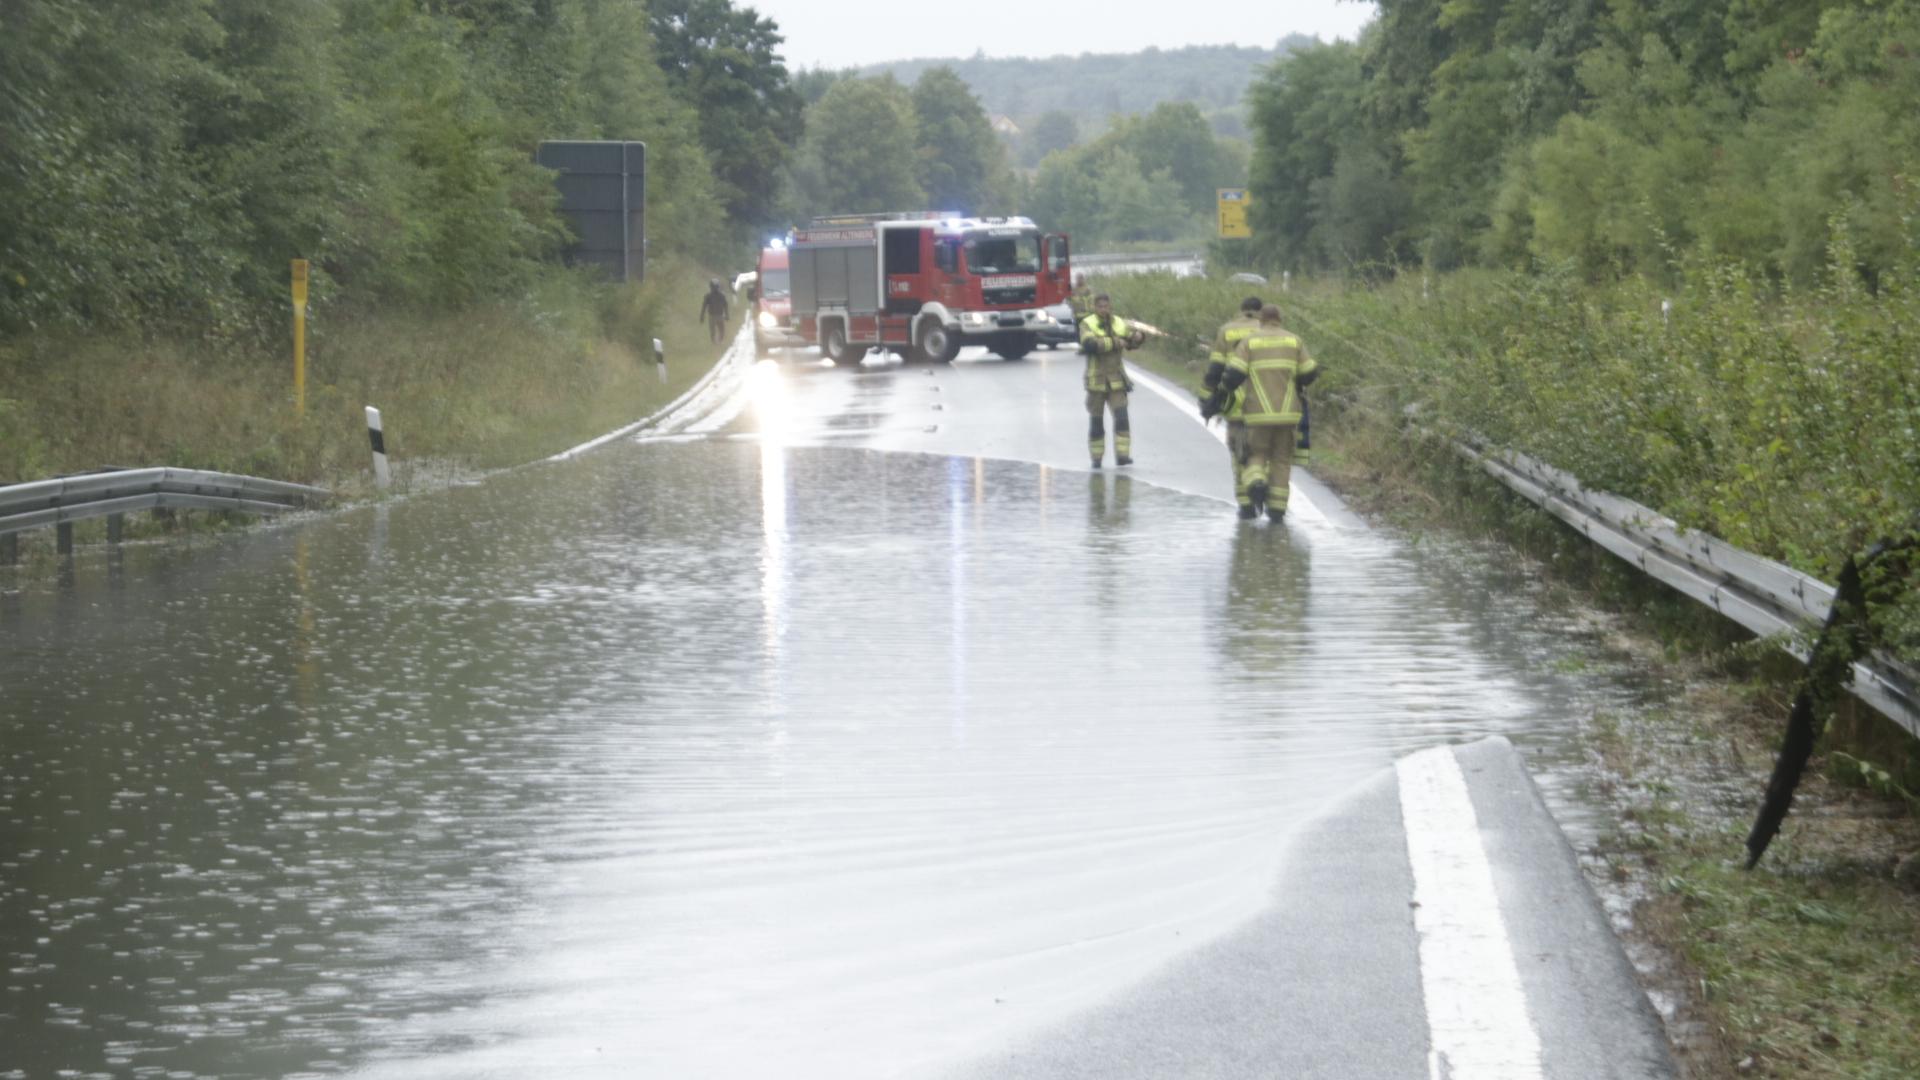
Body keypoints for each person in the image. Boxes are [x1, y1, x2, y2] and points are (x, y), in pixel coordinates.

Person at [1202, 304, 1317, 519]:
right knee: (1282, 460)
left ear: (1261, 320)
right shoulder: (1294, 340)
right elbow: (1310, 372)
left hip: (1257, 414)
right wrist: (1296, 381)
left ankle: (1256, 482)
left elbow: (1233, 374)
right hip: (1289, 414)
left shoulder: (1249, 342)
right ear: (1279, 319)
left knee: (1255, 454)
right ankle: (1277, 510)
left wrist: (1221, 394)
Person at [1201, 296, 1265, 518]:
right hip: (1264, 403)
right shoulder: (1267, 330)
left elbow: (1215, 369)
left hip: (1235, 402)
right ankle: (1259, 482)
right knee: (1261, 451)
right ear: (1261, 310)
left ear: (1241, 310)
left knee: (1238, 451)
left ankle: (1245, 505)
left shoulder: (1226, 331)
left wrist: (1207, 399)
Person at [1078, 293, 1146, 468]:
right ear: (1095, 307)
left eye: (1106, 306)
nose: (1103, 309)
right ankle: (1096, 458)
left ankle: (1123, 456)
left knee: (1122, 417)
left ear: (1110, 306)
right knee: (1096, 422)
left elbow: (1130, 340)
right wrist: (1116, 342)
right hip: (1096, 381)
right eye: (1100, 306)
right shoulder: (1087, 324)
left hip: (1117, 379)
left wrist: (1138, 337)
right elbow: (1090, 345)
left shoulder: (1118, 322)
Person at [698, 279, 731, 343]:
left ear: (718, 287)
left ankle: (719, 341)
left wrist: (727, 315)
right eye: (713, 287)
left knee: (721, 330)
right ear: (711, 287)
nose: (715, 289)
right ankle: (714, 342)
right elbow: (704, 306)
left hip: (720, 315)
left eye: (716, 287)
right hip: (712, 316)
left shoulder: (722, 295)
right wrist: (702, 316)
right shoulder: (708, 296)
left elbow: (725, 305)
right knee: (712, 331)